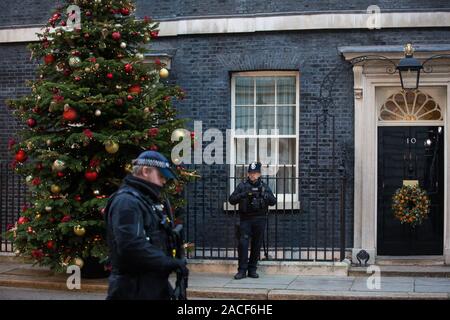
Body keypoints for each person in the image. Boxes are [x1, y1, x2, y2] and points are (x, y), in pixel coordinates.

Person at [105, 151, 188, 300]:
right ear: (145, 171)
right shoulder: (127, 202)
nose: (164, 181)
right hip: (133, 289)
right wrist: (169, 263)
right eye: (161, 176)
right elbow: (131, 245)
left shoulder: (145, 200)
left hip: (152, 284)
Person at [229, 162, 277, 280]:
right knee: (243, 245)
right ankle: (242, 270)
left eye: (255, 173)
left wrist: (265, 195)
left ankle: (252, 270)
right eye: (250, 173)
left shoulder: (264, 186)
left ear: (259, 174)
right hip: (245, 219)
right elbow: (231, 200)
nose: (252, 175)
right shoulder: (242, 186)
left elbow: (273, 201)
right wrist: (243, 194)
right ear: (248, 173)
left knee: (256, 245)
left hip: (260, 219)